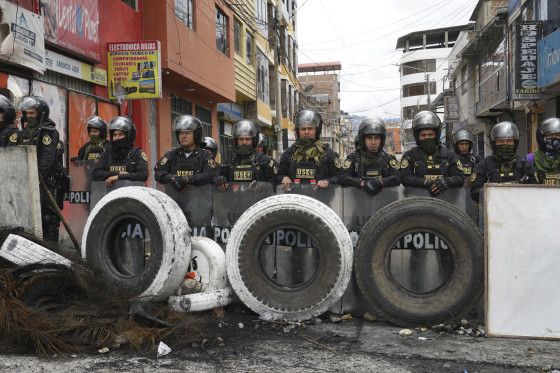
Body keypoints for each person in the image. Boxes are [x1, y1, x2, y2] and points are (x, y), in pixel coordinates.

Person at [18, 96, 61, 245]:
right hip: (24, 181)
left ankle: (52, 248)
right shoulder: (25, 132)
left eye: (32, 113)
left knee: (48, 215)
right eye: (27, 114)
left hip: (43, 181)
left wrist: (37, 177)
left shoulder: (48, 131)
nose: (29, 117)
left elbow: (47, 159)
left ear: (41, 113)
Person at [400, 111, 463, 195]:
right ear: (417, 136)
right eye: (423, 135)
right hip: (417, 203)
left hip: (446, 203)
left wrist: (447, 181)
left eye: (430, 135)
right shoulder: (409, 156)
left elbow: (460, 177)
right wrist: (425, 182)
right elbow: (404, 178)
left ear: (436, 135)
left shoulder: (449, 156)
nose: (427, 138)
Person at [471, 121, 536, 202]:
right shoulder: (484, 165)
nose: (505, 144)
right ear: (494, 143)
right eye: (500, 141)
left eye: (509, 141)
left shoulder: (525, 165)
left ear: (515, 143)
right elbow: (474, 192)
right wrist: (491, 191)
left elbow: (536, 190)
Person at [278, 108, 340, 189]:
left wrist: (328, 181)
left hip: (321, 199)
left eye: (310, 128)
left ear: (317, 130)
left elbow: (339, 176)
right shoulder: (290, 153)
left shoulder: (327, 153)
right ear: (298, 130)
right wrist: (283, 178)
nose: (306, 132)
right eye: (303, 129)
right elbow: (277, 176)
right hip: (295, 199)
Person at [154, 115, 217, 192]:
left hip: (199, 200)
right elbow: (158, 173)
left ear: (196, 134)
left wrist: (187, 179)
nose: (183, 136)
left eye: (187, 133)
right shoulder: (171, 155)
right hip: (173, 200)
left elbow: (209, 175)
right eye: (181, 133)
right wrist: (174, 178)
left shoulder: (206, 156)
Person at [339, 117, 401, 194]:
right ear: (363, 139)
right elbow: (342, 177)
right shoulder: (353, 158)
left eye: (377, 138)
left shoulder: (389, 159)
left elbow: (398, 177)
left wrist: (380, 182)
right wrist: (361, 183)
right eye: (369, 138)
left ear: (382, 139)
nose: (373, 142)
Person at [213, 119, 277, 190]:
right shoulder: (230, 161)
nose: (244, 142)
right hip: (235, 199)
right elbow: (216, 177)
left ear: (253, 140)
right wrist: (220, 179)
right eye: (241, 139)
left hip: (258, 199)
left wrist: (262, 185)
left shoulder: (264, 160)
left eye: (247, 139)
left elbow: (274, 182)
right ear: (236, 141)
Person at [92, 116, 149, 186]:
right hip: (109, 194)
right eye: (114, 135)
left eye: (120, 134)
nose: (117, 138)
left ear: (129, 135)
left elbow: (143, 174)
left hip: (132, 194)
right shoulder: (107, 153)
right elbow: (96, 173)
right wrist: (117, 173)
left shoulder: (136, 153)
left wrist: (119, 177)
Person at [533, 118, 560, 185]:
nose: (553, 138)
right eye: (549, 135)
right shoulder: (531, 158)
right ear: (541, 138)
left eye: (558, 135)